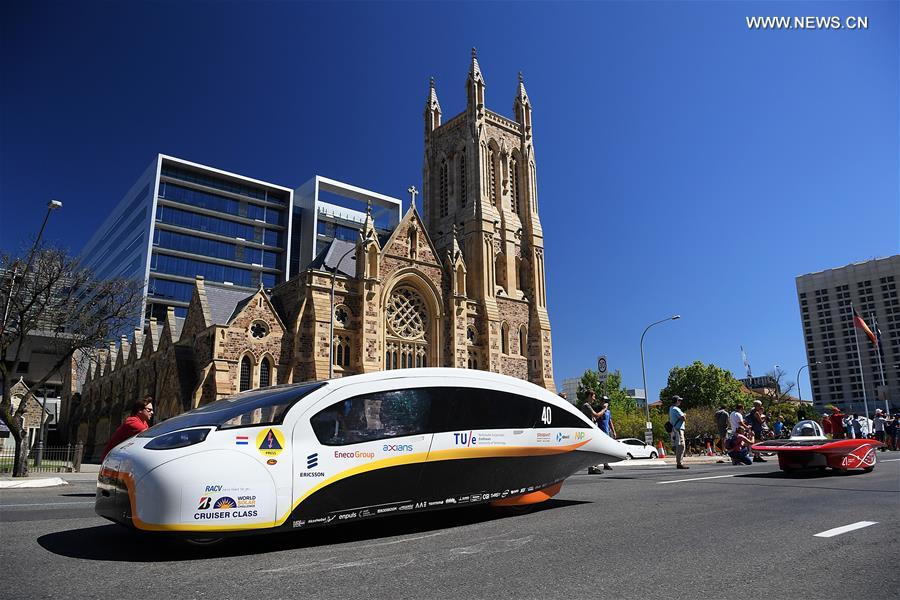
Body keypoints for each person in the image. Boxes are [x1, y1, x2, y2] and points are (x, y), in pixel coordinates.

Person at [102, 396, 154, 460]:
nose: (152, 412)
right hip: (111, 458)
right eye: (149, 410)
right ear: (140, 410)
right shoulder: (132, 421)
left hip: (120, 456)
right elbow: (150, 436)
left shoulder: (144, 422)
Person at [580, 391, 605, 474]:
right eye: (593, 396)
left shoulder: (588, 406)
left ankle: (593, 467)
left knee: (595, 449)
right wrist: (604, 409)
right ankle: (592, 468)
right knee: (594, 449)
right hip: (589, 431)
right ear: (589, 396)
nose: (594, 398)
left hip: (591, 431)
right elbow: (596, 415)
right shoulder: (586, 405)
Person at [596, 396, 616, 471]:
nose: (606, 403)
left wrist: (613, 431)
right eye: (605, 401)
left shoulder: (608, 411)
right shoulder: (598, 409)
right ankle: (595, 465)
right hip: (600, 432)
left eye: (607, 401)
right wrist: (603, 409)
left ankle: (606, 464)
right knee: (599, 449)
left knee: (606, 449)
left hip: (607, 432)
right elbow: (596, 417)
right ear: (601, 402)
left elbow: (610, 421)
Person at [668, 395, 688, 469]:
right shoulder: (676, 409)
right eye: (679, 400)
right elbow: (683, 418)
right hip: (679, 429)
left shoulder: (671, 408)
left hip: (675, 429)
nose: (680, 402)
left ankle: (679, 462)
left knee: (679, 446)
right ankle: (680, 463)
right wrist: (685, 414)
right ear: (676, 401)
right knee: (681, 446)